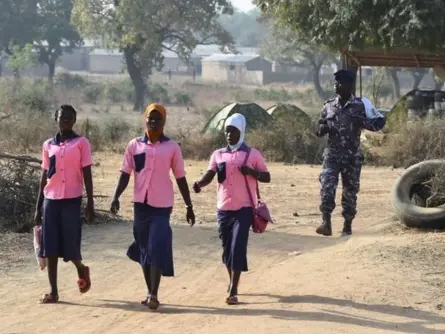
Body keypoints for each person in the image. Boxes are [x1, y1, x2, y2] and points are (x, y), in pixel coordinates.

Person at [109, 103, 195, 311]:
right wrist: (115, 197)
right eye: (150, 118)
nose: (154, 122)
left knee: (156, 245)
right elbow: (125, 174)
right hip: (140, 205)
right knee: (144, 248)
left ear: (164, 121)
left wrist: (189, 205)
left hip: (162, 205)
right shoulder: (134, 145)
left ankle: (154, 294)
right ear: (145, 119)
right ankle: (149, 291)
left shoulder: (172, 147)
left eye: (158, 119)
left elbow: (181, 178)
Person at [193, 113, 270, 305]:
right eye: (227, 131)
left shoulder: (252, 154)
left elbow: (267, 177)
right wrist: (199, 184)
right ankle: (231, 280)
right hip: (223, 208)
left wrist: (252, 172)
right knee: (227, 248)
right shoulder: (218, 154)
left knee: (238, 246)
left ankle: (234, 288)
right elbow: (210, 174)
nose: (229, 135)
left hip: (244, 208)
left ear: (241, 131)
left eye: (233, 131)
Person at [34, 104, 94, 304]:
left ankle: (80, 268)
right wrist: (38, 208)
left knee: (70, 243)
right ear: (56, 118)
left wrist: (90, 203)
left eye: (69, 117)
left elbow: (87, 173)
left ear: (74, 120)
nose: (65, 120)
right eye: (62, 117)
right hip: (50, 200)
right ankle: (53, 292)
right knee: (50, 246)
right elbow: (44, 176)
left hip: (71, 199)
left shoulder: (81, 143)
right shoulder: (48, 145)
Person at [315, 69, 385, 237]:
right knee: (327, 187)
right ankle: (326, 222)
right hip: (332, 156)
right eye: (335, 82)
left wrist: (376, 118)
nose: (336, 85)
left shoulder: (360, 106)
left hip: (352, 157)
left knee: (350, 191)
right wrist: (323, 128)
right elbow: (317, 130)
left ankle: (347, 225)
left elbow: (376, 125)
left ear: (348, 85)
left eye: (340, 83)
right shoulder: (329, 105)